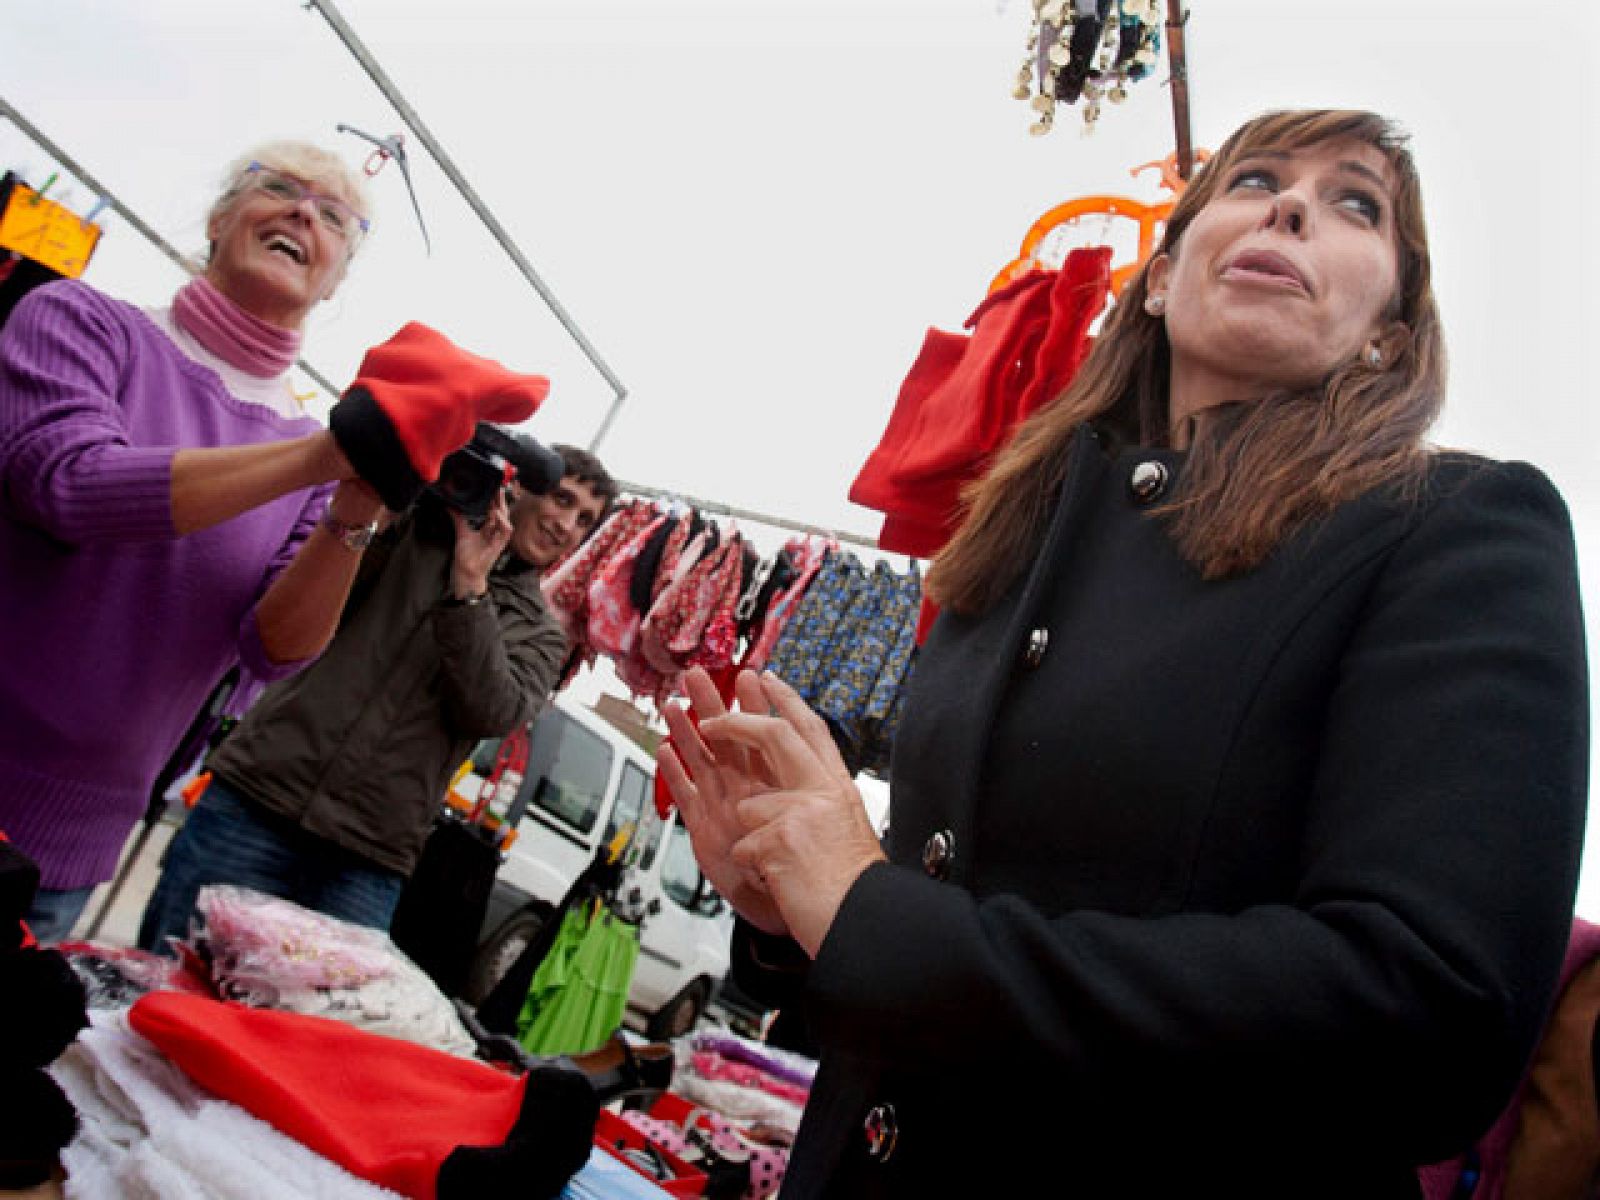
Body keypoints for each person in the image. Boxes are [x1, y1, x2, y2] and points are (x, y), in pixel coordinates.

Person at [658, 109, 1590, 1196]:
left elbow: (1432, 1013)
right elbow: (932, 927)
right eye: (1253, 179)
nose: (1289, 205)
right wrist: (793, 912)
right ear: (1159, 279)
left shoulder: (1457, 529)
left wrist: (877, 918)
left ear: (1389, 327)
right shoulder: (1013, 546)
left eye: (1354, 204)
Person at [0, 141, 386, 941]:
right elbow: (69, 483)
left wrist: (357, 505)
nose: (303, 212)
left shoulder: (311, 455)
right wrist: (320, 457)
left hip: (71, 852)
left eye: (335, 217)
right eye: (278, 188)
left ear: (336, 277)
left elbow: (275, 649)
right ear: (218, 220)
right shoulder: (82, 323)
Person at [136, 445, 616, 950]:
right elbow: (316, 579)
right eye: (561, 500)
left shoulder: (541, 632)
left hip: (367, 859)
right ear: (517, 488)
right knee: (166, 978)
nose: (567, 525)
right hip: (258, 801)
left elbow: (491, 709)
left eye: (584, 520)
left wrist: (469, 587)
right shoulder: (410, 531)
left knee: (302, 1025)